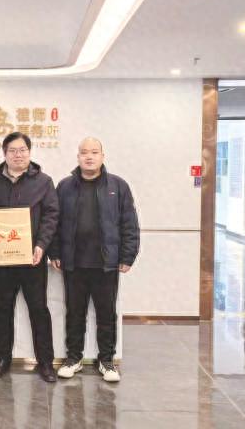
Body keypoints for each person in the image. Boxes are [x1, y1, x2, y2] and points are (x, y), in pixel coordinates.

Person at [49, 137, 140, 382]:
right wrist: (54, 252)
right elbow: (54, 223)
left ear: (102, 156)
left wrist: (128, 256)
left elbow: (129, 223)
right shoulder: (65, 186)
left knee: (106, 315)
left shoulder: (118, 186)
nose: (89, 157)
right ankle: (73, 358)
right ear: (78, 156)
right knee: (74, 313)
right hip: (73, 263)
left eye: (94, 152)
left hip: (106, 264)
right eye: (84, 152)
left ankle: (107, 361)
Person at [0, 132, 59, 383]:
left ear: (29, 152)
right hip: (2, 261)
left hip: (32, 259)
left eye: (22, 150)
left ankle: (45, 362)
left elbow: (51, 216)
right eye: (12, 150)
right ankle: (2, 359)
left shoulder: (44, 182)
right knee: (3, 309)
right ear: (4, 154)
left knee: (39, 310)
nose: (18, 155)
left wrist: (41, 245)